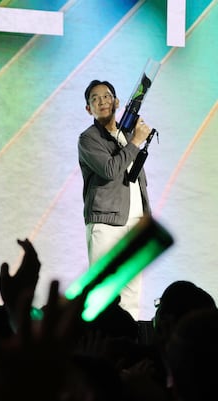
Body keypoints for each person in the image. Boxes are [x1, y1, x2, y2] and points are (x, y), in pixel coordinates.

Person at [77, 79, 153, 319]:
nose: (102, 101)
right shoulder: (88, 139)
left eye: (107, 96)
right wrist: (136, 142)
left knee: (132, 292)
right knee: (103, 291)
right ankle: (100, 339)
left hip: (136, 221)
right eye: (95, 99)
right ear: (88, 108)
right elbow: (109, 170)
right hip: (106, 222)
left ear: (117, 102)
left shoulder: (126, 134)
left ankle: (130, 339)